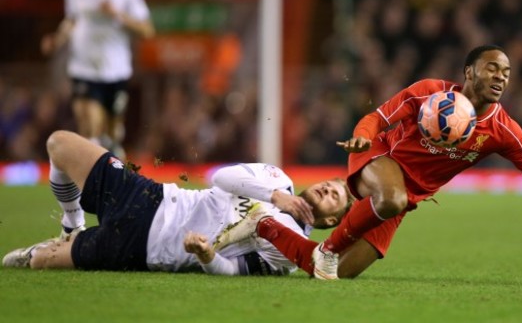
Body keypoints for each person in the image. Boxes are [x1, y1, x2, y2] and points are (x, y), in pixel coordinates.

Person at [214, 44, 522, 280]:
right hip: (379, 156)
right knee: (390, 199)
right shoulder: (428, 92)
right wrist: (363, 133)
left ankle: (265, 226)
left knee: (335, 273)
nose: (502, 76)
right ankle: (327, 246)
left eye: (507, 71)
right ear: (469, 71)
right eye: (493, 68)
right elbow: (377, 118)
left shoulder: (504, 130)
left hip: (408, 194)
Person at [2, 130, 353, 275]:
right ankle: (71, 223)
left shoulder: (290, 247)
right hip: (150, 195)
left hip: (144, 247)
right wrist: (275, 195)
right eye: (331, 184)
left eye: (336, 196)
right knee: (59, 144)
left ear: (328, 222)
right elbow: (220, 178)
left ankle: (52, 248)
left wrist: (206, 255)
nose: (328, 189)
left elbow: (234, 272)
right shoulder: (277, 178)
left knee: (38, 262)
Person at [41, 0, 155, 158]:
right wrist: (57, 40)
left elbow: (147, 30)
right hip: (83, 68)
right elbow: (72, 20)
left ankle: (110, 158)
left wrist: (117, 14)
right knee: (90, 126)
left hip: (115, 70)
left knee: (112, 133)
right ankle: (92, 177)